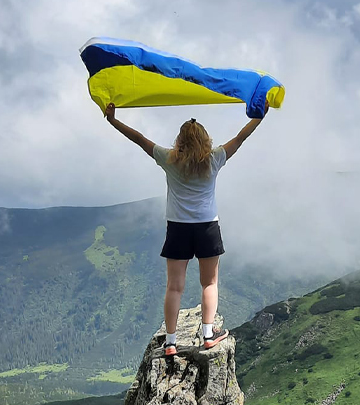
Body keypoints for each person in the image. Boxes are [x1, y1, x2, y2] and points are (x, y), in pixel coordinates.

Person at [103, 105, 262, 356]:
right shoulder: (215, 158)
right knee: (209, 283)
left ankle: (170, 342)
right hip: (207, 227)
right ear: (205, 139)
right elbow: (241, 137)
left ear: (180, 140)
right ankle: (208, 335)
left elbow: (139, 139)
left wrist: (113, 120)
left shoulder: (169, 160)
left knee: (174, 287)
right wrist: (259, 117)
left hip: (177, 229)